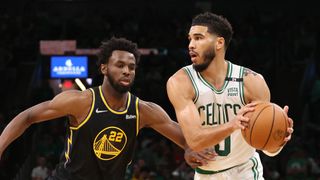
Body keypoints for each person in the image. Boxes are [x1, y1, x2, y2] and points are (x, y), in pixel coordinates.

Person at [0, 37, 214, 180]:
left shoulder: (143, 110)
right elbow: (27, 116)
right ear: (104, 68)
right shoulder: (81, 101)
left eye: (131, 67)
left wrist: (190, 149)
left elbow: (185, 138)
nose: (127, 71)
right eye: (120, 65)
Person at [166, 12, 294, 179]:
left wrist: (279, 138)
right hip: (207, 175)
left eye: (198, 38)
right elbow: (195, 140)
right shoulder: (181, 82)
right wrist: (232, 125)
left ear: (219, 43)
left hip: (246, 172)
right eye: (190, 39)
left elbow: (266, 147)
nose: (191, 44)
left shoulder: (251, 81)